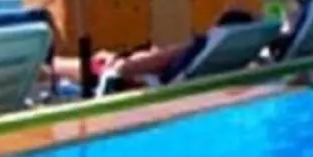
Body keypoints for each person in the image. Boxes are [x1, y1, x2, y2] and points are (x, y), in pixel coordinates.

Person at [48, 7, 261, 95]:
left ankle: (44, 68)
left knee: (54, 66)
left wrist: (118, 61)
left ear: (218, 26)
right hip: (153, 76)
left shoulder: (193, 46)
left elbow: (125, 69)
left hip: (130, 81)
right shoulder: (231, 53)